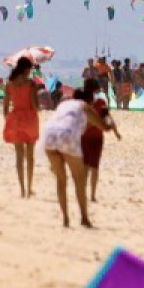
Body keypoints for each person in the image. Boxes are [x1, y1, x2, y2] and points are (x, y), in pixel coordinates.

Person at [40, 86, 93, 228]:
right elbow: (98, 124)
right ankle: (84, 218)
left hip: (48, 136)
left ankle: (65, 219)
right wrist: (109, 126)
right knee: (79, 181)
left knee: (61, 181)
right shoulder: (85, 106)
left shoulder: (64, 104)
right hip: (67, 137)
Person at [2, 56, 40, 198]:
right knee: (30, 157)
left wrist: (9, 120)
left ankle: (22, 189)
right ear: (26, 69)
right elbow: (35, 107)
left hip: (15, 119)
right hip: (30, 119)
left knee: (19, 157)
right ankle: (29, 188)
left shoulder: (9, 84)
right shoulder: (30, 84)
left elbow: (5, 108)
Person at [81, 84, 119, 205]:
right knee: (92, 167)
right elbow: (107, 117)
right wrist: (115, 131)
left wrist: (116, 131)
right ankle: (90, 195)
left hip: (89, 137)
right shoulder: (93, 103)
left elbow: (107, 116)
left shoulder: (85, 103)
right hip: (92, 137)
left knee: (89, 167)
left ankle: (89, 194)